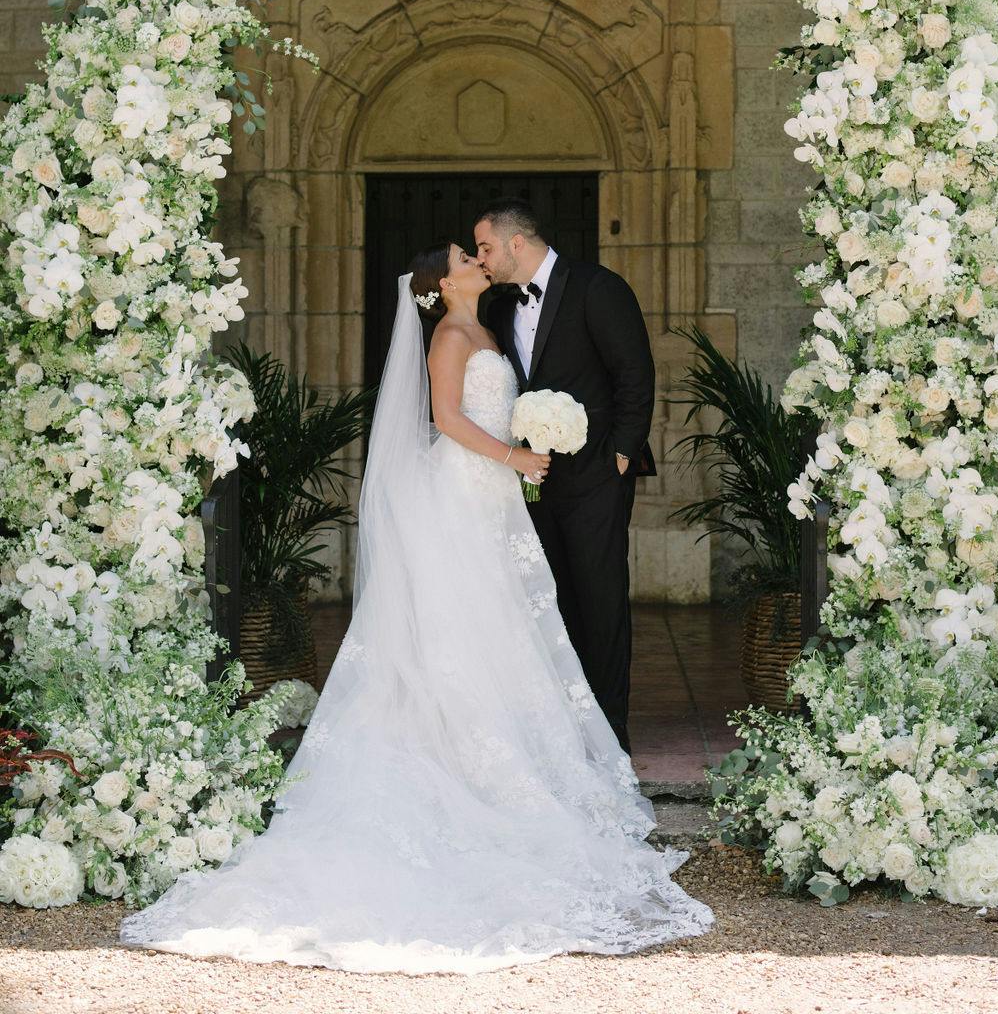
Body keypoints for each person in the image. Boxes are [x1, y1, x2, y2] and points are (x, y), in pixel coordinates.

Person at [118, 244, 711, 974]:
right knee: (461, 633)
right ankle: (461, 770)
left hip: (490, 500)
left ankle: (495, 760)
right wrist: (517, 459)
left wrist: (530, 436)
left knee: (502, 634)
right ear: (442, 285)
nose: (477, 258)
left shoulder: (486, 327)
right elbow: (445, 420)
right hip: (462, 494)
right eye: (467, 255)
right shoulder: (451, 336)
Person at [474, 199, 655, 752]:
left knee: (600, 602)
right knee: (550, 602)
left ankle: (611, 736)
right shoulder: (501, 310)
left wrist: (621, 453)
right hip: (534, 480)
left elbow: (635, 371)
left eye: (485, 247)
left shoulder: (597, 287)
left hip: (598, 473)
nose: (481, 258)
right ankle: (567, 734)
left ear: (516, 244)